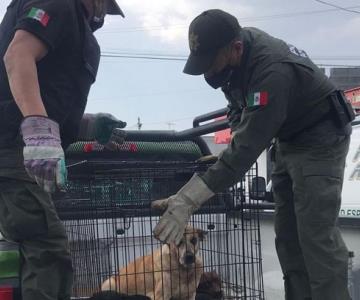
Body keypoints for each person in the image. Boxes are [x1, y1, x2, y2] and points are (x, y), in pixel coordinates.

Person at [153, 9, 355, 300]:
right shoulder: (235, 60)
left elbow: (247, 149)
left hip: (320, 138)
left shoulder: (271, 71)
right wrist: (235, 137)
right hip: (288, 138)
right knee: (287, 236)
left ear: (235, 48)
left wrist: (188, 199)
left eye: (211, 64)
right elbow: (238, 108)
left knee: (315, 237)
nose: (208, 73)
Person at [0, 0, 126, 299]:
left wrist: (86, 126)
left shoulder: (70, 26)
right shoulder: (59, 4)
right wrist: (38, 129)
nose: (101, 17)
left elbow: (45, 92)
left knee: (31, 247)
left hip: (15, 145)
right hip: (12, 147)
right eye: (103, 8)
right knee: (47, 251)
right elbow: (18, 56)